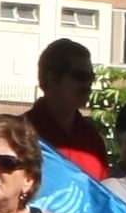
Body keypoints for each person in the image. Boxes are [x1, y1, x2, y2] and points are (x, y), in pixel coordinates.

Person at [28, 39, 111, 183]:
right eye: (81, 77)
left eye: (91, 78)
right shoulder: (20, 134)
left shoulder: (93, 138)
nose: (88, 85)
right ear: (53, 79)